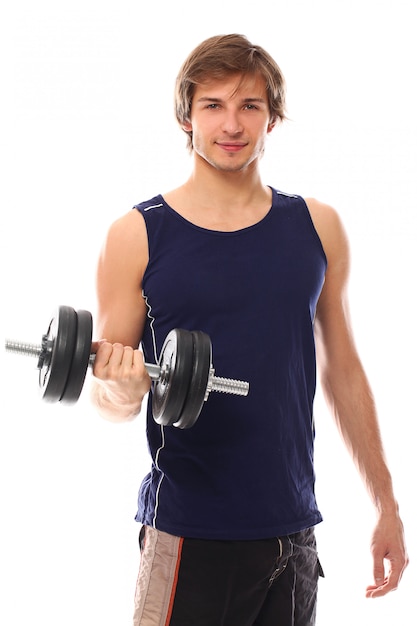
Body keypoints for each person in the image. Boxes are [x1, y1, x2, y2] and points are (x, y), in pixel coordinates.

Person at [90, 34, 408, 626]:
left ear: (273, 116)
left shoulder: (317, 227)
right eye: (213, 105)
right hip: (187, 534)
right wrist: (124, 389)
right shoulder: (136, 235)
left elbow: (344, 371)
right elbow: (110, 396)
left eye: (250, 106)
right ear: (186, 115)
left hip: (294, 534)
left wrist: (386, 503)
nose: (231, 125)